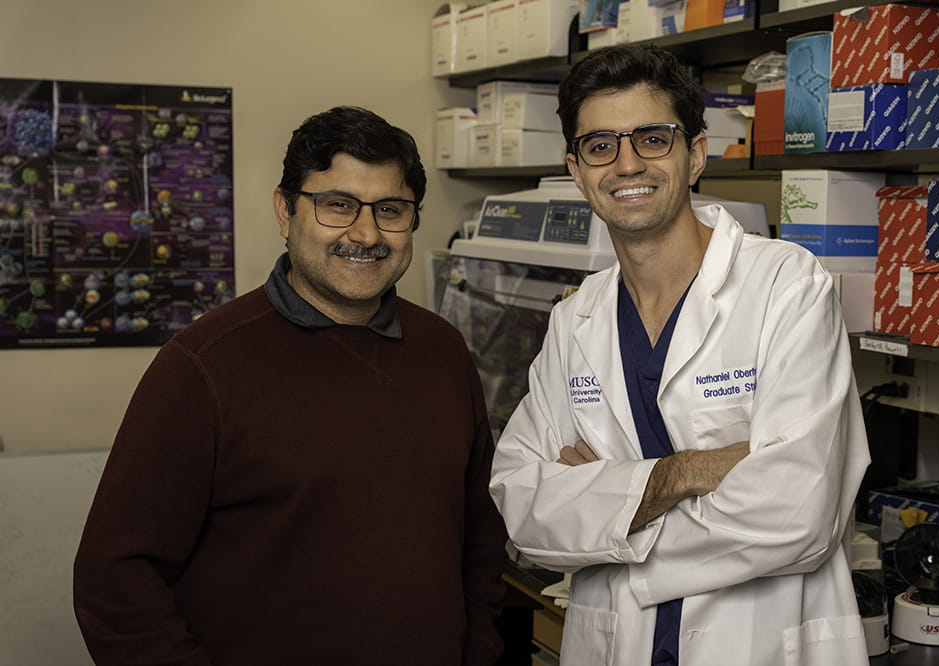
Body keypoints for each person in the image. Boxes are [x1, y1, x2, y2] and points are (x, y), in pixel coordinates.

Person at [74, 106, 508, 666]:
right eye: (338, 205)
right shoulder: (201, 366)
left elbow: (480, 538)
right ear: (286, 211)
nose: (366, 233)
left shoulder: (444, 353)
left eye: (391, 210)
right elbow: (115, 576)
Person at [489, 44, 871, 666]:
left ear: (694, 155)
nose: (627, 163)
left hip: (758, 644)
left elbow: (797, 511)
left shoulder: (787, 286)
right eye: (600, 145)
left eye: (652, 138)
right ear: (577, 169)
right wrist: (686, 474)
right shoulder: (574, 320)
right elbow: (525, 512)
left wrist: (604, 506)